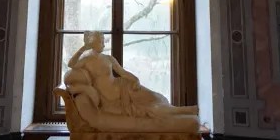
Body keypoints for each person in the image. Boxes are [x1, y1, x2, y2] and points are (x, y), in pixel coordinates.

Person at [65, 31, 198, 119]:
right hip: (113, 94)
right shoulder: (86, 60)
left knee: (155, 98)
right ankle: (184, 111)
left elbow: (122, 72)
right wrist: (83, 48)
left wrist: (135, 79)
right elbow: (71, 64)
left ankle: (178, 111)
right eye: (101, 41)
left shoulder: (108, 58)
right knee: (150, 106)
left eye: (104, 41)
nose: (104, 44)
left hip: (123, 85)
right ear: (92, 42)